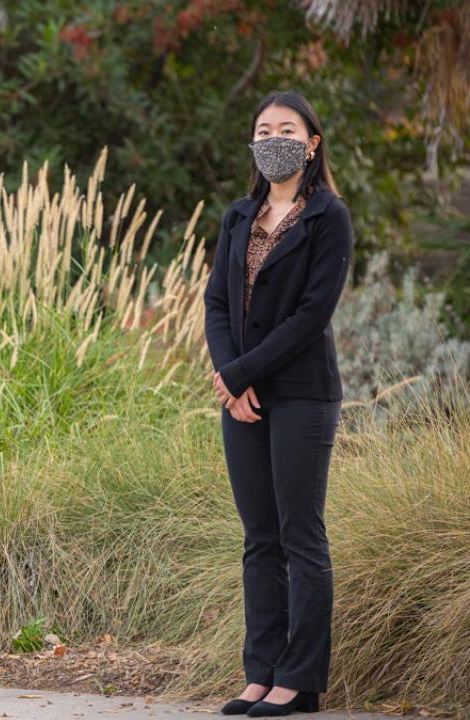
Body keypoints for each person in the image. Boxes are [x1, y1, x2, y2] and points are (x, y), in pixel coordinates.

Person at [204, 92, 353, 717]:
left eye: (286, 129)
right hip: (243, 397)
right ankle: (260, 672)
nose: (273, 139)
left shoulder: (328, 217)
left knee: (300, 536)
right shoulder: (239, 215)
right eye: (263, 130)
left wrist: (241, 373)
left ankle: (300, 681)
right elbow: (215, 301)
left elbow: (311, 314)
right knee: (259, 539)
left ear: (312, 142)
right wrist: (231, 380)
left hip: (301, 395)